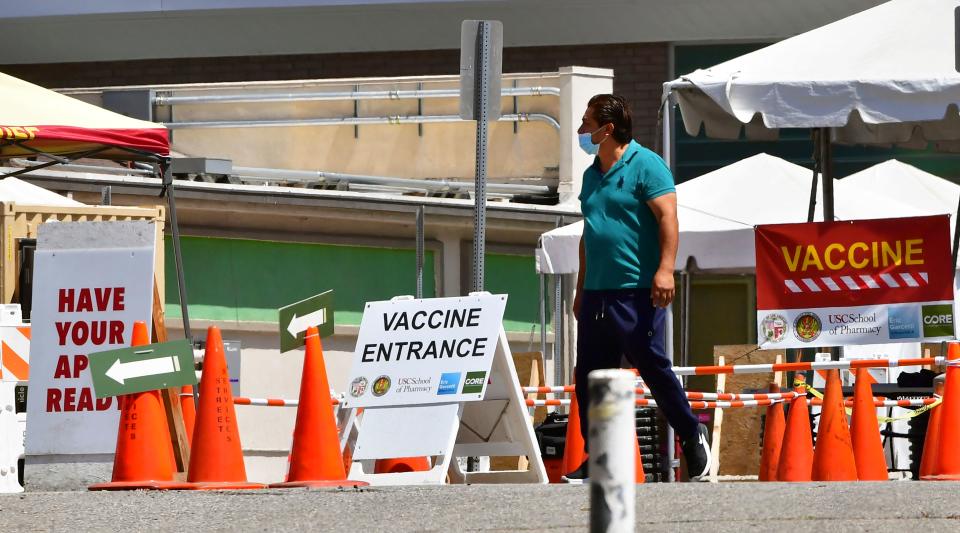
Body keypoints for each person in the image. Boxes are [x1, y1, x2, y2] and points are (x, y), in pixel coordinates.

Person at [562, 94, 710, 483]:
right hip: (596, 293)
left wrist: (665, 270)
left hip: (636, 289)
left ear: (606, 129)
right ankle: (600, 455)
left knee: (651, 365)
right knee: (591, 377)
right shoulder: (592, 174)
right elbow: (589, 235)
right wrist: (580, 288)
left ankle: (693, 433)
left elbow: (668, 218)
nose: (581, 130)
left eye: (585, 123)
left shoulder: (647, 165)